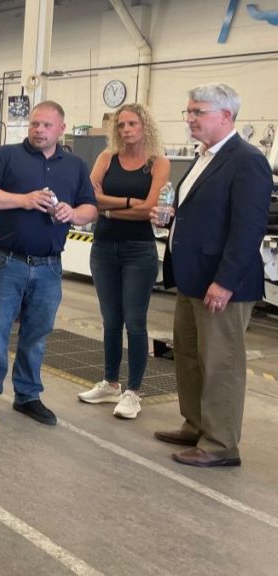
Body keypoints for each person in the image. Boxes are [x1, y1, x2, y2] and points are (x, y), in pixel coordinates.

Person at [151, 83, 271, 467]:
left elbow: (248, 229)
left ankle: (220, 444)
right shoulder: (204, 157)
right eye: (188, 112)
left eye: (197, 112)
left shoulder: (247, 160)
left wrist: (225, 282)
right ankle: (196, 424)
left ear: (225, 115)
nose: (189, 119)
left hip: (221, 283)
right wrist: (169, 219)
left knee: (221, 363)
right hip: (191, 277)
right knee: (188, 355)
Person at [0, 101, 98, 425]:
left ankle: (27, 395)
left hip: (50, 267)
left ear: (61, 129)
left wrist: (73, 213)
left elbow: (91, 209)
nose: (39, 130)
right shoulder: (7, 156)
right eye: (34, 124)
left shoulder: (76, 166)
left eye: (46, 125)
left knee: (37, 333)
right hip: (8, 261)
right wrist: (22, 200)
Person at [79, 104, 170, 419]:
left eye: (132, 123)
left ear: (145, 126)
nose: (126, 130)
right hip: (104, 247)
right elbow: (90, 197)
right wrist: (131, 203)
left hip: (138, 249)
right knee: (110, 320)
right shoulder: (106, 159)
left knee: (135, 321)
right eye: (120, 125)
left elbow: (152, 208)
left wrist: (108, 207)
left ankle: (133, 392)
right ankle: (111, 383)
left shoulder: (158, 164)